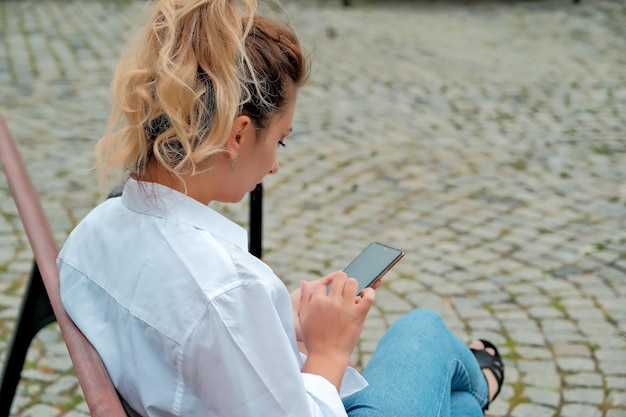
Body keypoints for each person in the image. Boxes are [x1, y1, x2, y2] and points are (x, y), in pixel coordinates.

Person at [57, 1, 504, 416]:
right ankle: (485, 381)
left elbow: (201, 346)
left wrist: (277, 318)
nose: (274, 165)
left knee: (456, 404)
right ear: (237, 135)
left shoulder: (93, 233)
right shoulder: (227, 290)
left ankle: (475, 394)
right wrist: (329, 350)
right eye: (279, 141)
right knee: (424, 330)